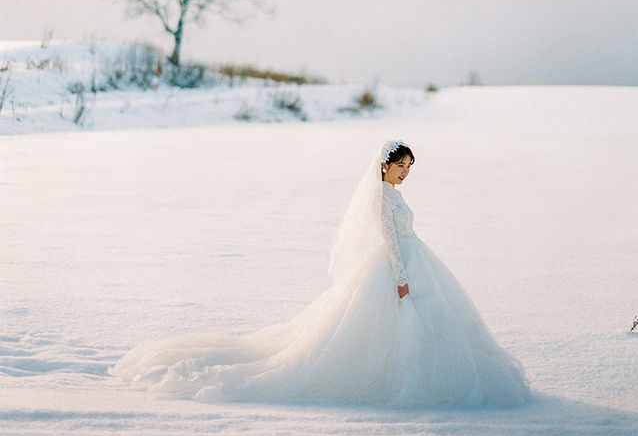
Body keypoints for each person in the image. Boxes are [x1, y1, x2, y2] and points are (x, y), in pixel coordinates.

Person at [110, 139, 529, 407]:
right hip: (398, 268)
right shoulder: (382, 199)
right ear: (383, 166)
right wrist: (401, 277)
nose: (404, 173)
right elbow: (388, 238)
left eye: (409, 168)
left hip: (416, 263)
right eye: (400, 166)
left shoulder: (393, 193)